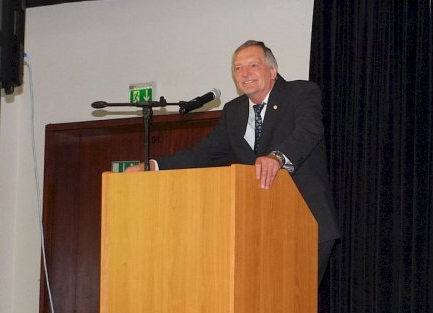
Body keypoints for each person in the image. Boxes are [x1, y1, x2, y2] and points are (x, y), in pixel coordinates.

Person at [128, 40, 339, 282]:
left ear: (273, 71)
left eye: (253, 65)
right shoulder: (234, 111)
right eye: (238, 68)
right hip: (260, 226)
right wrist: (153, 166)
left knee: (295, 299)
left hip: (306, 221)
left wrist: (277, 158)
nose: (245, 73)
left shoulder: (300, 93)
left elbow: (308, 131)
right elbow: (203, 154)